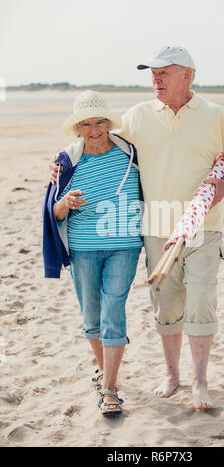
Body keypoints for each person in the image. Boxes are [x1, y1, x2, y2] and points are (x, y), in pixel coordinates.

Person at [50, 46, 224, 410]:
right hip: (155, 225)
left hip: (203, 223)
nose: (155, 79)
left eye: (164, 72)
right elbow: (97, 138)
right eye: (152, 73)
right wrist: (60, 165)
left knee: (202, 300)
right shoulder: (137, 116)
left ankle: (200, 382)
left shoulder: (215, 115)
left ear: (187, 75)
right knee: (167, 304)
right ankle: (173, 375)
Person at [43, 90, 143, 416]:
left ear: (108, 123)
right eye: (86, 123)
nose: (94, 129)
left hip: (125, 246)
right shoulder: (67, 162)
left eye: (99, 121)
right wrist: (65, 203)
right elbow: (52, 213)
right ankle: (104, 372)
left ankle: (110, 389)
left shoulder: (131, 154)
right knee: (91, 316)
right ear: (77, 128)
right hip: (83, 249)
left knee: (113, 310)